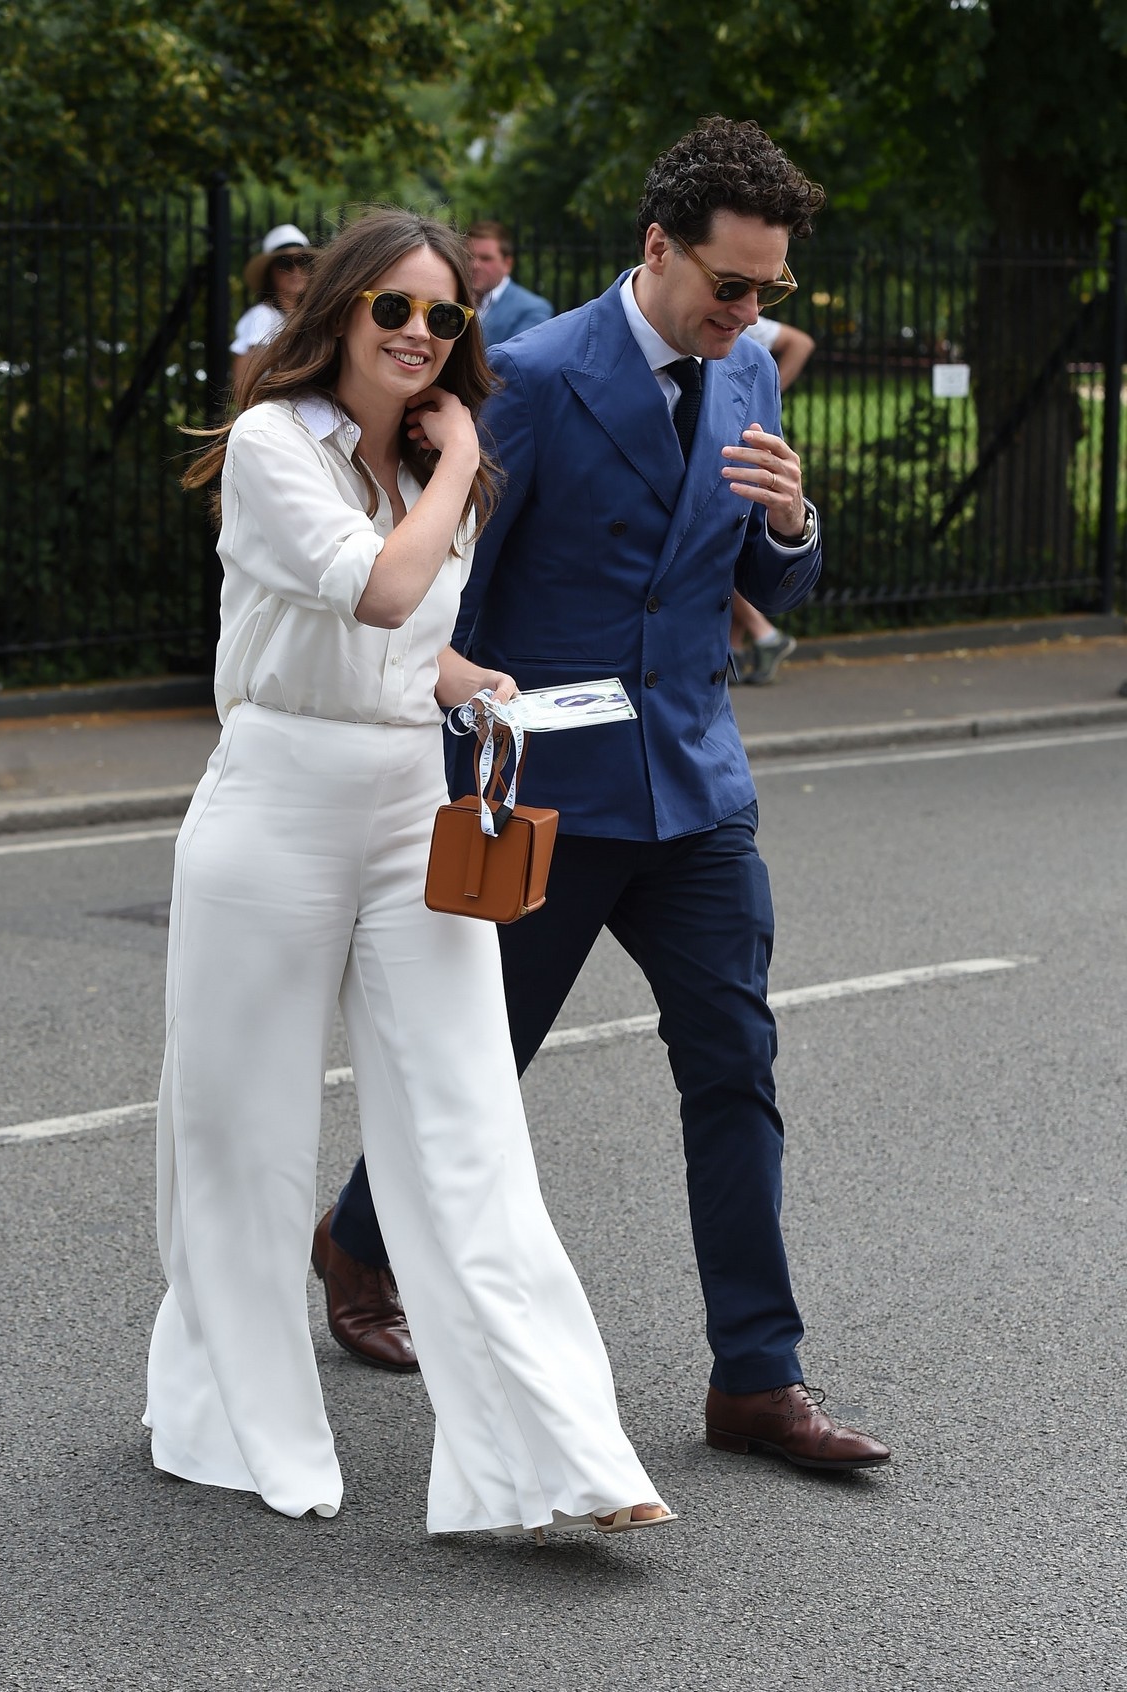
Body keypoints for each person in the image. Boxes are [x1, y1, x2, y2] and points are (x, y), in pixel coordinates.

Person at [320, 121, 892, 1475]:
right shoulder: (526, 378)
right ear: (658, 249)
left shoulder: (747, 365)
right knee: (481, 1063)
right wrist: (461, 751)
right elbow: (440, 598)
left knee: (734, 1066)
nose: (748, 315)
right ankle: (359, 1235)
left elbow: (762, 577)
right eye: (729, 286)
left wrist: (796, 529)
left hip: (697, 784)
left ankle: (759, 1379)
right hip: (545, 794)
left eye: (768, 291)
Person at [143, 207, 672, 1539]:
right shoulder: (276, 446)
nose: (423, 337)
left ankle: (553, 1458)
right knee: (242, 1125)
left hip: (403, 799)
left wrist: (470, 679)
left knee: (467, 1117)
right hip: (272, 800)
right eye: (396, 311)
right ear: (337, 315)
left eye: (447, 319)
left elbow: (404, 635)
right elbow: (371, 593)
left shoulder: (427, 471)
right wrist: (465, 463)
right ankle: (235, 1416)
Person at [732, 315, 819, 683]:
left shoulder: (735, 315)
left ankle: (763, 636)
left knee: (725, 535)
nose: (750, 310)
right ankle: (733, 652)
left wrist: (764, 398)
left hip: (744, 438)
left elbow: (801, 342)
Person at [230, 224, 314, 387]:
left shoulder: (313, 315)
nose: (296, 270)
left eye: (303, 262)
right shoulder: (262, 316)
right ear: (270, 272)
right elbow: (245, 383)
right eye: (285, 263)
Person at [467, 221, 553, 343]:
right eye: (468, 257)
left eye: (486, 258)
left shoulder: (532, 309)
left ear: (507, 264)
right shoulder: (453, 298)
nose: (474, 265)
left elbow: (521, 359)